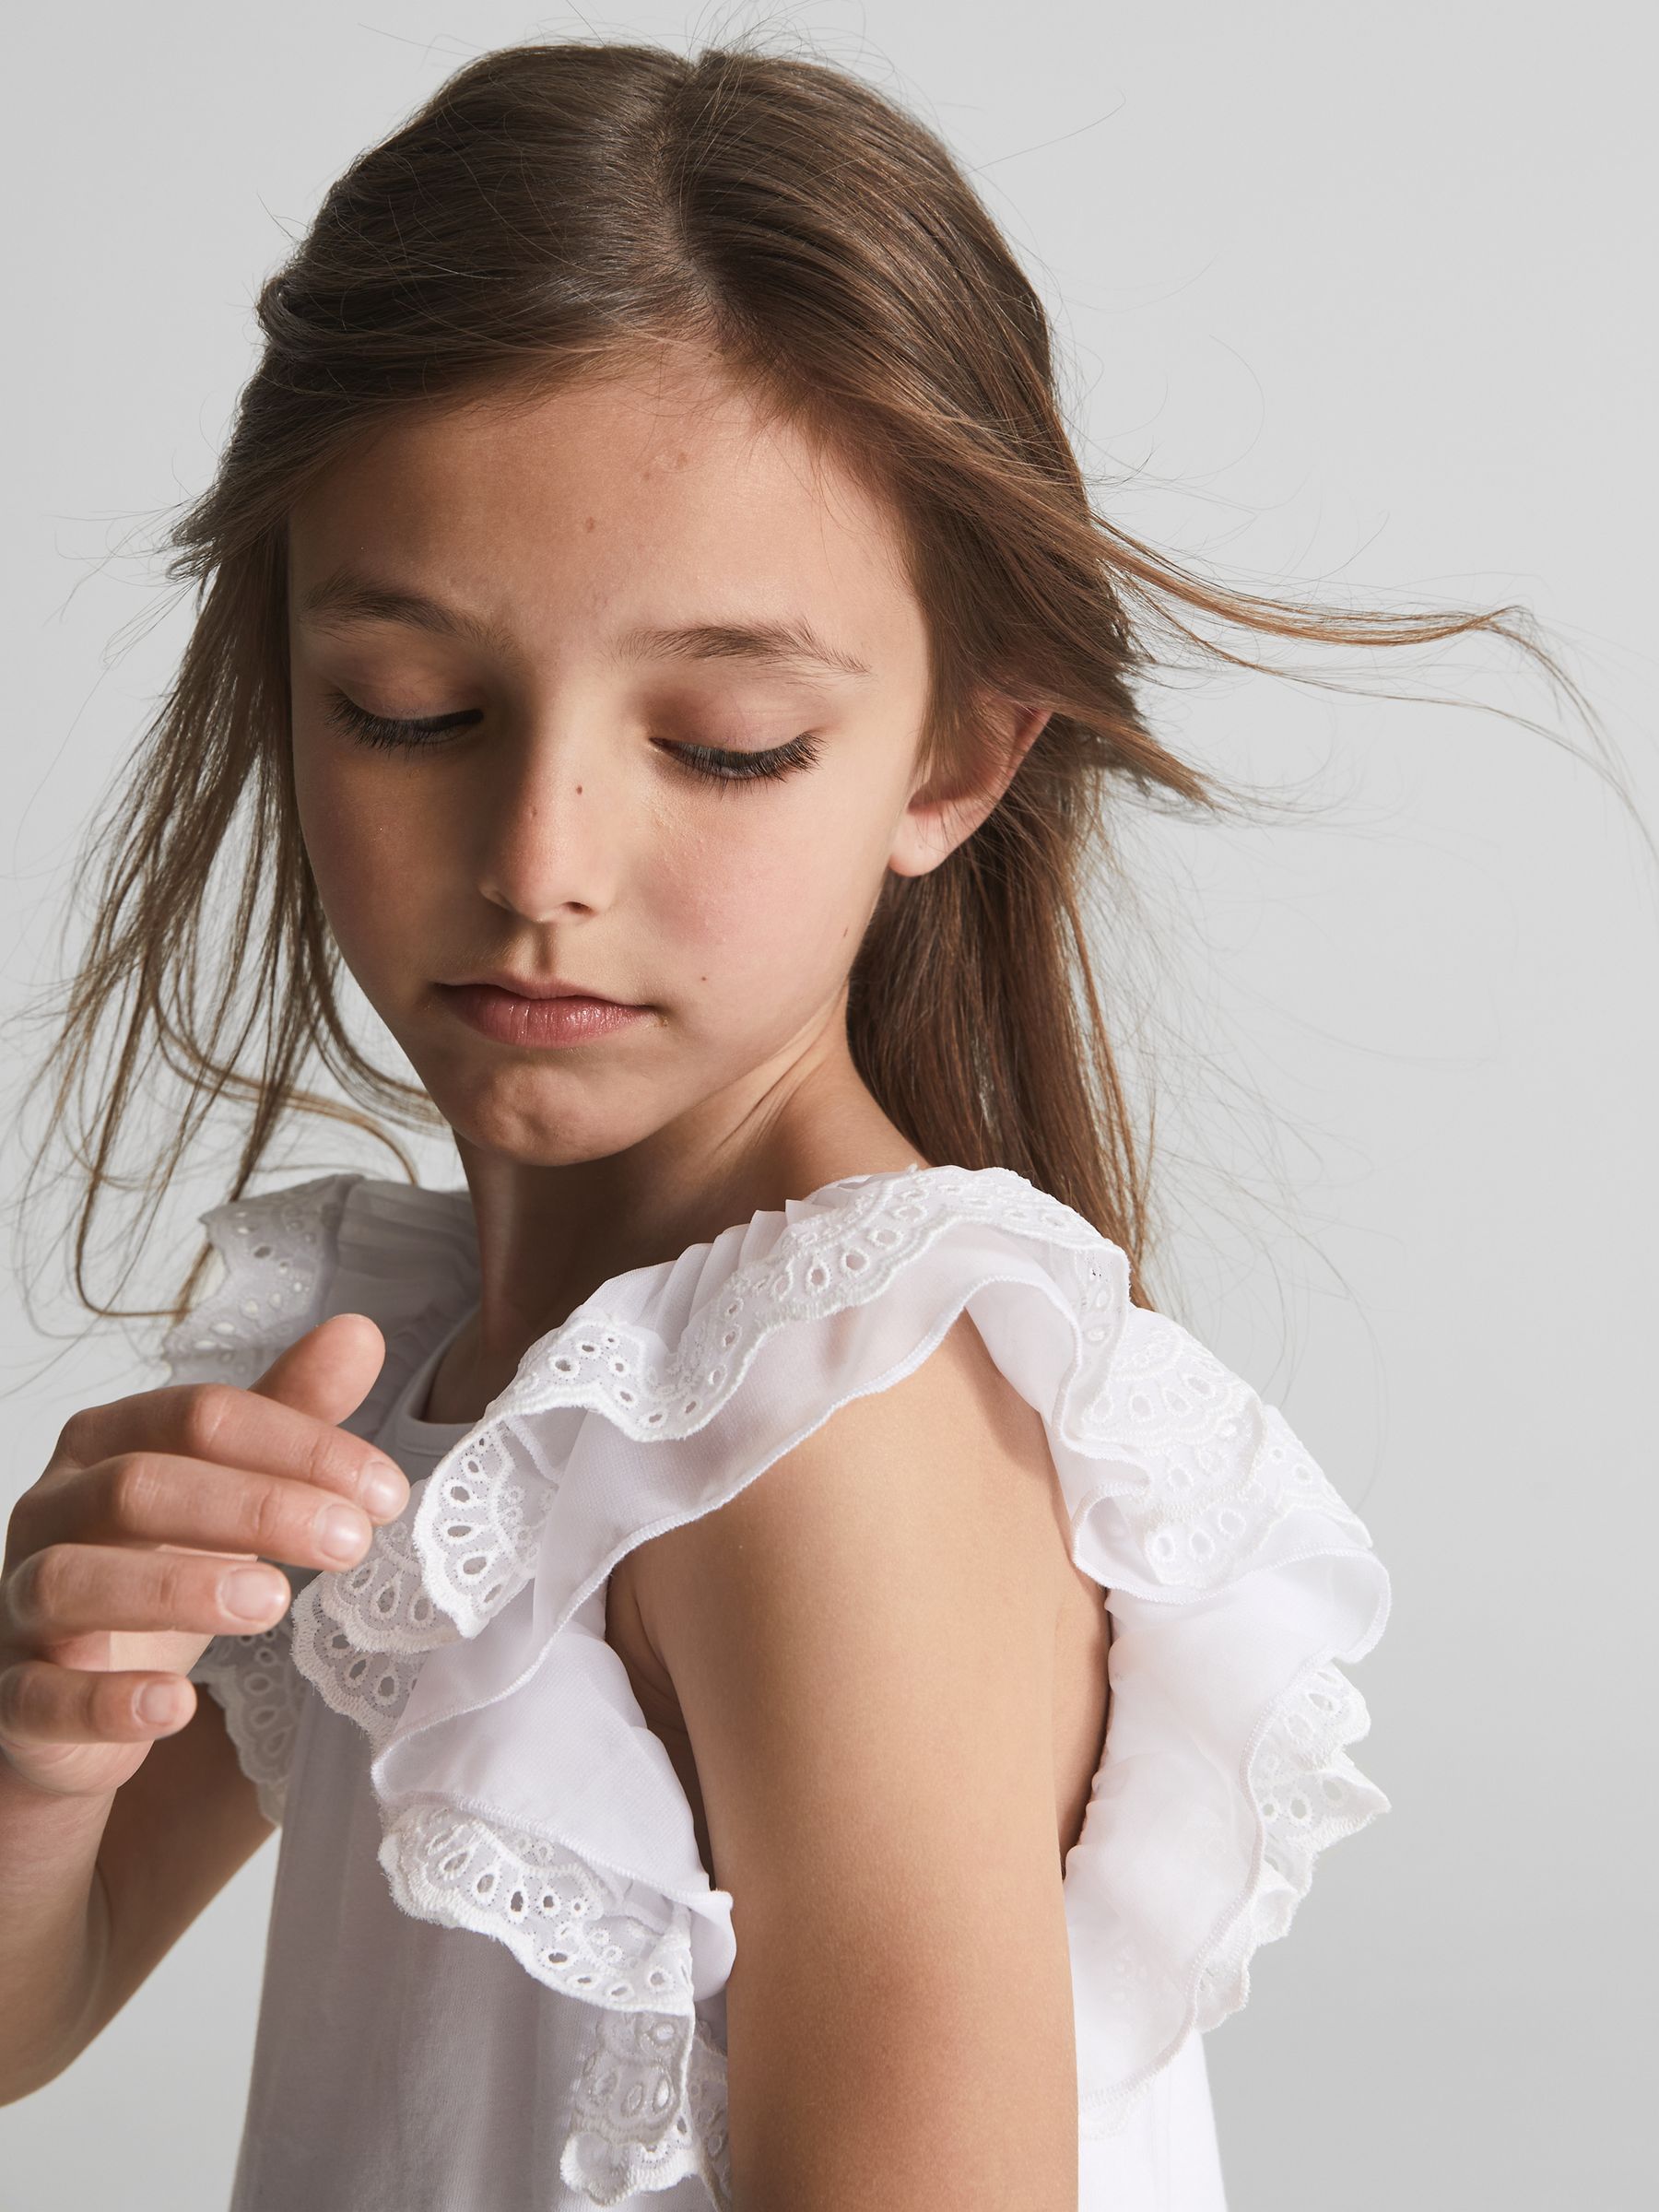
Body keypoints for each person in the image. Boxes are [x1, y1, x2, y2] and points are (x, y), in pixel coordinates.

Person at [11, 32, 1559, 2210]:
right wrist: (40, 1754)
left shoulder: (825, 1418)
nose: (540, 849)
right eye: (413, 709)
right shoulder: (436, 1372)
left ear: (953, 764)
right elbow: (27, 2011)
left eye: (725, 741)